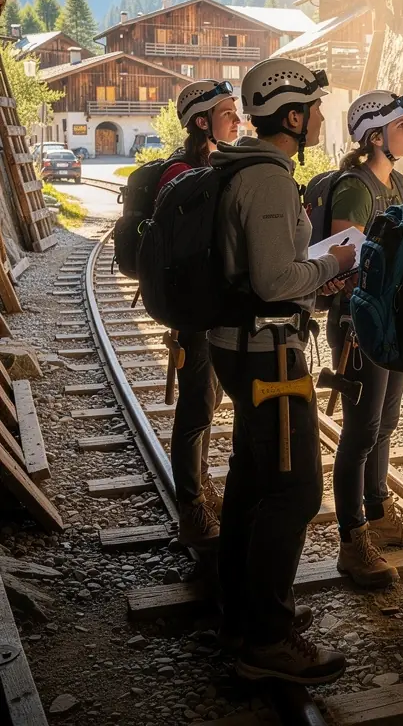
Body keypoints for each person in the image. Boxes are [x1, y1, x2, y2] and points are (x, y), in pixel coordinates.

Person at [208, 56, 355, 684]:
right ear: (292, 115)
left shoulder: (246, 169)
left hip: (243, 343)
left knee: (252, 478)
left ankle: (239, 615)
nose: (322, 116)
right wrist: (331, 264)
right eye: (315, 107)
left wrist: (311, 273)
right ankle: (267, 637)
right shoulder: (267, 178)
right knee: (294, 491)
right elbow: (273, 281)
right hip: (266, 351)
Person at [328, 90, 403, 587]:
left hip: (394, 317)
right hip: (359, 324)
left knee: (386, 419)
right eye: (401, 124)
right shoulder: (355, 189)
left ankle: (378, 507)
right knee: (360, 431)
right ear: (375, 136)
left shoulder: (399, 181)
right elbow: (349, 260)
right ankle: (352, 536)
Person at [159, 79, 241, 548]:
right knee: (195, 407)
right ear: (201, 122)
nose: (236, 117)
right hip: (195, 313)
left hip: (219, 307)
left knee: (208, 402)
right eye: (226, 112)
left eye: (234, 110)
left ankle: (203, 485)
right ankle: (190, 507)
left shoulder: (219, 166)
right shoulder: (181, 173)